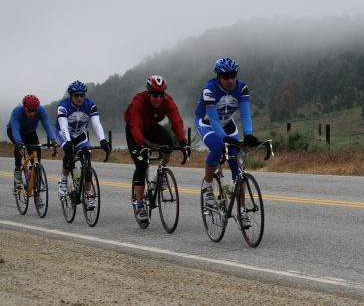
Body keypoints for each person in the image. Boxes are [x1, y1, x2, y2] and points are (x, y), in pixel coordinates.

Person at [195, 58, 259, 227]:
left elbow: (245, 116)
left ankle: (242, 211)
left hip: (227, 123)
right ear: (218, 77)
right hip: (207, 123)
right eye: (226, 77)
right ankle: (207, 188)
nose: (231, 80)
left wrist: (249, 134)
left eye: (233, 76)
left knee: (236, 168)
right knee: (217, 147)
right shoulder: (209, 90)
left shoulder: (242, 87)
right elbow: (214, 121)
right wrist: (224, 138)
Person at [124, 75, 190, 224]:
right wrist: (142, 144)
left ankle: (158, 176)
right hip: (135, 131)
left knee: (167, 143)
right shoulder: (139, 101)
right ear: (148, 93)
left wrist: (183, 142)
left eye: (161, 95)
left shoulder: (167, 101)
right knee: (141, 165)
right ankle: (140, 205)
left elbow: (176, 121)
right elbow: (134, 126)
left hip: (151, 127)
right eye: (154, 95)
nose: (158, 99)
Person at [56, 80, 110, 207]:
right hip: (63, 134)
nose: (80, 98)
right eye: (76, 95)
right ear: (71, 96)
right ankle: (63, 181)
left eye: (82, 95)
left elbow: (96, 124)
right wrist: (68, 142)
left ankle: (88, 195)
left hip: (80, 135)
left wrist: (103, 140)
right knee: (69, 153)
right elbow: (63, 126)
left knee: (87, 166)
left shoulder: (90, 105)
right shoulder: (63, 106)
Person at [6, 94, 57, 194]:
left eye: (34, 110)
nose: (32, 113)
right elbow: (15, 129)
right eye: (29, 110)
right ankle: (17, 172)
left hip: (30, 132)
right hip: (14, 131)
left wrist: (53, 140)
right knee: (19, 147)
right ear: (24, 108)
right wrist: (19, 143)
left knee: (36, 154)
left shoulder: (41, 111)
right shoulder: (17, 111)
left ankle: (35, 177)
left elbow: (47, 125)